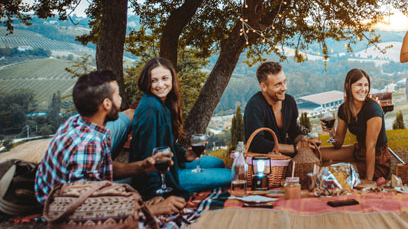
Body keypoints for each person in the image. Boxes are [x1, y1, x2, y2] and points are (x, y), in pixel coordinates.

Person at [35, 70, 186, 215]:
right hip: (58, 205)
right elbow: (82, 206)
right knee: (138, 193)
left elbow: (104, 167)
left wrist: (143, 166)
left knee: (134, 187)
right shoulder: (88, 145)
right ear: (107, 104)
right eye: (118, 95)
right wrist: (152, 209)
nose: (121, 99)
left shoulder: (80, 123)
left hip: (72, 190)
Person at [129, 58, 231, 200]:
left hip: (173, 163)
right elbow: (147, 154)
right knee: (229, 175)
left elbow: (167, 142)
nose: (160, 85)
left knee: (217, 162)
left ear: (172, 79)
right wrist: (154, 194)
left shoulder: (163, 104)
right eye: (154, 80)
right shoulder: (150, 109)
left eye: (165, 78)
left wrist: (185, 155)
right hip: (164, 176)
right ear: (147, 82)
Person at [321, 69, 390, 182]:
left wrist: (368, 180)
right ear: (348, 86)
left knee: (330, 169)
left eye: (366, 85)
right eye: (359, 85)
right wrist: (331, 132)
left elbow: (371, 148)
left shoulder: (373, 110)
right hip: (359, 151)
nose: (363, 90)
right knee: (319, 155)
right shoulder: (344, 109)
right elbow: (338, 143)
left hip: (376, 159)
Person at [244, 61, 310, 156]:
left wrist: (305, 141)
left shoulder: (289, 102)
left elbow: (293, 131)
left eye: (284, 82)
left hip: (285, 158)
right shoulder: (255, 106)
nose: (284, 88)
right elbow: (256, 143)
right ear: (264, 87)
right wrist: (294, 149)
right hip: (264, 163)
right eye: (278, 85)